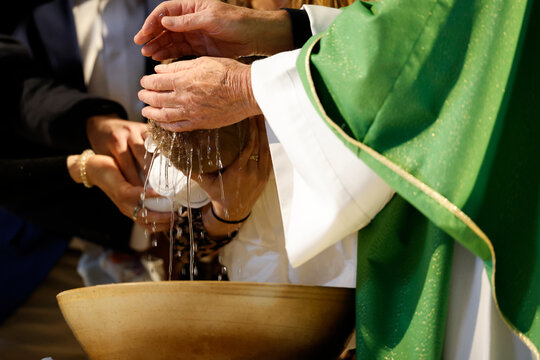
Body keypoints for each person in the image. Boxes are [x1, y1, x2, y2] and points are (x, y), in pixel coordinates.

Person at [134, 0, 539, 358]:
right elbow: (390, 24)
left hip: (435, 225)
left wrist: (247, 86)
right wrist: (287, 30)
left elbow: (426, 30)